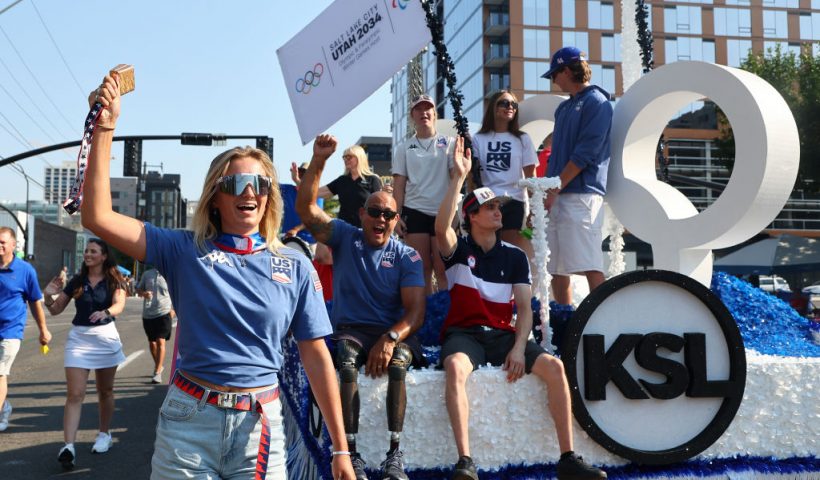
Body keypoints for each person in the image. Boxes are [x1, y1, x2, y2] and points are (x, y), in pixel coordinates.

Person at [79, 73, 354, 479]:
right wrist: (105, 127)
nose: (249, 192)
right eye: (235, 183)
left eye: (259, 183)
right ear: (215, 196)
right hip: (187, 423)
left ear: (269, 196)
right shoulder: (183, 249)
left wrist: (340, 450)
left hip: (260, 427)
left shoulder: (295, 265)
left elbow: (317, 357)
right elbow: (97, 216)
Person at [434, 137, 607, 480]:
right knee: (455, 366)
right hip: (465, 335)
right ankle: (465, 462)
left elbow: (525, 309)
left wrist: (517, 347)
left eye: (499, 207)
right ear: (471, 217)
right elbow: (440, 227)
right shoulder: (457, 248)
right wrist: (458, 177)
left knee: (555, 368)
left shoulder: (514, 255)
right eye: (489, 208)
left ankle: (568, 459)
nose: (498, 211)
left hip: (503, 336)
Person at [297, 134, 426, 480]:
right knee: (347, 362)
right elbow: (306, 211)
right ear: (361, 214)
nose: (380, 219)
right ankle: (350, 453)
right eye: (374, 211)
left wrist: (390, 337)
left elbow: (415, 312)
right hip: (351, 331)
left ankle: (394, 456)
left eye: (388, 214)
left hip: (393, 331)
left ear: (397, 221)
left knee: (398, 364)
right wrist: (319, 161)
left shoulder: (408, 256)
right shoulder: (344, 236)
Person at [43, 238, 127, 470]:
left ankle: (104, 434)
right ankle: (68, 446)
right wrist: (48, 295)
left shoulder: (114, 280)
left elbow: (120, 304)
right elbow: (56, 310)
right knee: (75, 394)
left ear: (104, 256)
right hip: (78, 339)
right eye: (86, 251)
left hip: (105, 337)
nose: (88, 254)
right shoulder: (77, 281)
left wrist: (107, 312)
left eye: (93, 251)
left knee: (105, 391)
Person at [540, 46, 613, 305]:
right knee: (556, 267)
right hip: (560, 192)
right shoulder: (564, 109)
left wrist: (553, 189)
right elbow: (557, 156)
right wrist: (548, 192)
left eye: (554, 74)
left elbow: (586, 154)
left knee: (590, 262)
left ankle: (603, 323)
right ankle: (564, 320)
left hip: (582, 193)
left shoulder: (597, 102)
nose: (553, 80)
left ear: (567, 70)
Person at [392, 94, 453, 294]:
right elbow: (399, 185)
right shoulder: (403, 147)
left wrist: (455, 212)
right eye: (418, 109)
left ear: (435, 114)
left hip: (441, 213)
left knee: (443, 269)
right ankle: (425, 317)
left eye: (428, 108)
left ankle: (445, 313)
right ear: (412, 115)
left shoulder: (450, 143)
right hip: (414, 210)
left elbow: (456, 179)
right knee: (422, 268)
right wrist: (396, 216)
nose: (423, 112)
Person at [471, 89, 537, 266]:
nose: (510, 107)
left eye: (513, 104)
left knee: (508, 255)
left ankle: (510, 294)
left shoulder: (523, 139)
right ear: (493, 107)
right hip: (487, 202)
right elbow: (473, 177)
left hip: (514, 201)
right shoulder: (478, 139)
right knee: (487, 255)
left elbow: (531, 176)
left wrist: (534, 210)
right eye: (504, 103)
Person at [0, 227, 51, 432]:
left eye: (3, 242)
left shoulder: (25, 270)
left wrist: (43, 330)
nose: (0, 246)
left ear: (13, 245)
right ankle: (5, 408)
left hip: (11, 331)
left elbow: (35, 302)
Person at [297, 145, 382, 228]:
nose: (346, 160)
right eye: (344, 157)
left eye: (349, 157)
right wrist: (297, 180)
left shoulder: (372, 179)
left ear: (359, 158)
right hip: (344, 229)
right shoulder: (342, 180)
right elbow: (315, 192)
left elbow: (380, 206)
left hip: (365, 229)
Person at [136, 268, 174, 384]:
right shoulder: (147, 274)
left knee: (160, 341)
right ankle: (159, 365)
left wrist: (174, 310)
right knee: (152, 343)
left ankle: (157, 372)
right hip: (148, 314)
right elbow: (138, 289)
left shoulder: (170, 273)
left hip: (164, 313)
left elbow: (179, 291)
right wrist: (143, 293)